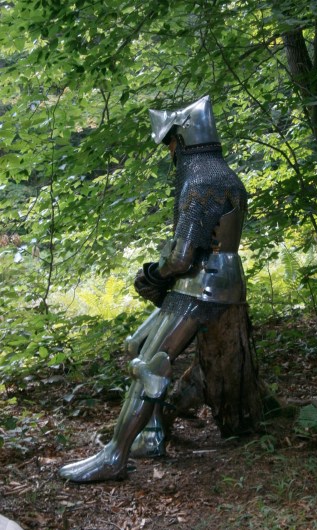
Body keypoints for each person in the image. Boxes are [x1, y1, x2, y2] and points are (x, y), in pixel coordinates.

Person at [59, 95, 247, 483]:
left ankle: (115, 456)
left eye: (171, 142)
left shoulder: (200, 181)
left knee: (149, 365)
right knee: (137, 344)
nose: (170, 151)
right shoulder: (224, 175)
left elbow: (181, 257)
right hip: (207, 281)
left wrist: (156, 274)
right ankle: (151, 434)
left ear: (183, 138)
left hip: (202, 286)